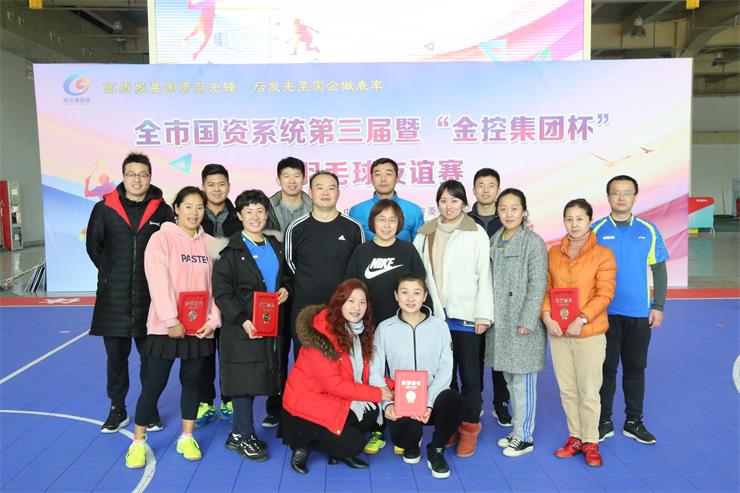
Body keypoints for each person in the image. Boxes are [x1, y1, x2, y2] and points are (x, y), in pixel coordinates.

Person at [124, 187, 222, 468]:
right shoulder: (161, 239)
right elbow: (157, 281)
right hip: (166, 328)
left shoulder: (211, 243)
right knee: (153, 385)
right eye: (188, 206)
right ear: (176, 208)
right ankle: (138, 442)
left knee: (193, 383)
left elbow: (217, 287)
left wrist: (213, 320)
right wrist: (171, 320)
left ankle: (186, 437)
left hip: (199, 329)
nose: (194, 212)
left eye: (199, 207)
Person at [86, 152, 174, 433]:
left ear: (150, 177)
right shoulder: (104, 208)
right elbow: (94, 247)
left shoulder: (163, 211)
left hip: (151, 299)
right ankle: (117, 408)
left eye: (143, 174)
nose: (137, 180)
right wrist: (112, 274)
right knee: (116, 359)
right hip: (114, 300)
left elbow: (171, 250)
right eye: (131, 174)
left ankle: (149, 408)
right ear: (123, 177)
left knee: (151, 359)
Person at [413, 180, 493, 458]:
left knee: (470, 377)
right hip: (437, 318)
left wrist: (484, 314)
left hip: (467, 317)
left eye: (455, 201)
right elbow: (419, 277)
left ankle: (470, 429)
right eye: (444, 201)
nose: (448, 206)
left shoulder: (475, 232)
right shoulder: (425, 233)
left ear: (464, 204)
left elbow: (485, 275)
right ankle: (450, 425)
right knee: (445, 379)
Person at [280, 279, 393, 474]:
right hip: (307, 403)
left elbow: (364, 374)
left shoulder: (359, 332)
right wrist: (378, 393)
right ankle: (302, 443)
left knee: (371, 411)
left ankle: (335, 447)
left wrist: (394, 386)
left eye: (362, 302)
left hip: (332, 398)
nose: (357, 307)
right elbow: (333, 384)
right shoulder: (322, 334)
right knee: (354, 445)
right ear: (340, 302)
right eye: (351, 301)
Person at [212, 190, 291, 461]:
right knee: (243, 381)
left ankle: (236, 433)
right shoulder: (230, 251)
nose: (255, 217)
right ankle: (246, 437)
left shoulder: (275, 245)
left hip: (270, 325)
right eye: (248, 212)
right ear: (239, 215)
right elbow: (222, 293)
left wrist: (285, 289)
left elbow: (286, 277)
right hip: (242, 327)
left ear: (267, 214)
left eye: (259, 211)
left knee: (260, 376)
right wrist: (242, 320)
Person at [345, 199, 427, 455]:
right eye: (382, 219)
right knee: (372, 376)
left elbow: (420, 286)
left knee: (403, 376)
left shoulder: (408, 251)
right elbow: (350, 289)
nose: (387, 225)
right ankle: (377, 428)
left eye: (392, 220)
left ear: (400, 223)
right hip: (368, 328)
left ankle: (405, 426)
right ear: (372, 222)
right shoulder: (362, 252)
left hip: (402, 327)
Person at [592, 175, 669, 445]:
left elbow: (659, 269)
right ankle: (603, 421)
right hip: (605, 313)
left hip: (638, 313)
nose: (621, 197)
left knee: (635, 369)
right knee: (606, 369)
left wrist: (658, 305)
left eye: (627, 192)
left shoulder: (648, 230)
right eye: (616, 192)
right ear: (608, 197)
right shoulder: (596, 230)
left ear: (635, 197)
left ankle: (634, 422)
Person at [542, 199, 616, 467]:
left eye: (580, 219)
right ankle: (574, 437)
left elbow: (605, 293)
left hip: (589, 333)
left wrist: (582, 318)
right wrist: (547, 316)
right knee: (567, 390)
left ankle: (591, 441)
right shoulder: (553, 253)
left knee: (589, 390)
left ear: (589, 221)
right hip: (559, 333)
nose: (574, 224)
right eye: (569, 219)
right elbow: (546, 290)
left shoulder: (603, 254)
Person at [370, 273, 461, 479]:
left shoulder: (440, 327)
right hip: (402, 400)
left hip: (432, 400)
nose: (410, 299)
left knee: (453, 399)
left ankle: (436, 449)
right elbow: (375, 370)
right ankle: (411, 444)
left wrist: (428, 402)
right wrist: (387, 403)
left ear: (425, 296)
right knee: (404, 441)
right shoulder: (385, 328)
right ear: (396, 296)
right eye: (405, 292)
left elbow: (446, 368)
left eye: (416, 293)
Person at [485, 188, 548, 458]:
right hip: (501, 321)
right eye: (503, 208)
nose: (508, 214)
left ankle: (525, 437)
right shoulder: (495, 240)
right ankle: (517, 430)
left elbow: (538, 284)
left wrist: (528, 319)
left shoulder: (533, 242)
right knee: (510, 379)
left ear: (524, 211)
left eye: (514, 208)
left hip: (522, 322)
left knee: (524, 381)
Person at [284, 171, 364, 357]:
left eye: (331, 188)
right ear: (310, 193)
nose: (326, 193)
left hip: (343, 307)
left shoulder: (353, 227)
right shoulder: (296, 228)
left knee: (342, 360)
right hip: (304, 307)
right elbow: (290, 265)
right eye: (320, 188)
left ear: (338, 193)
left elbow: (358, 266)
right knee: (306, 361)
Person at [262, 156, 313, 428]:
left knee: (306, 349)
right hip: (274, 286)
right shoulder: (265, 208)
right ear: (278, 179)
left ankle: (305, 402)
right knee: (276, 350)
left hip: (305, 285)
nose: (292, 180)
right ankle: (276, 406)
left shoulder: (315, 205)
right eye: (286, 175)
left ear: (304, 178)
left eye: (297, 175)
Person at [196, 163, 241, 427]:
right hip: (201, 295)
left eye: (221, 184)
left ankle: (228, 400)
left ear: (228, 186)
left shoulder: (239, 218)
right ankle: (204, 402)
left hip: (232, 295)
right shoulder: (194, 217)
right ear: (203, 187)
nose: (216, 189)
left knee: (229, 351)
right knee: (202, 353)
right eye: (211, 185)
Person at [467, 167, 511, 427]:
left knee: (499, 355)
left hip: (502, 298)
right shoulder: (465, 220)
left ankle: (501, 403)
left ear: (498, 189)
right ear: (473, 189)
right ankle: (476, 402)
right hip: (472, 299)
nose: (485, 190)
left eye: (491, 185)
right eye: (480, 185)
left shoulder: (507, 219)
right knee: (474, 354)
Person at [349, 158, 425, 243]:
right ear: (372, 180)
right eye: (378, 174)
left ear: (397, 179)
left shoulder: (413, 210)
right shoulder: (357, 211)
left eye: (388, 174)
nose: (383, 179)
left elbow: (420, 245)